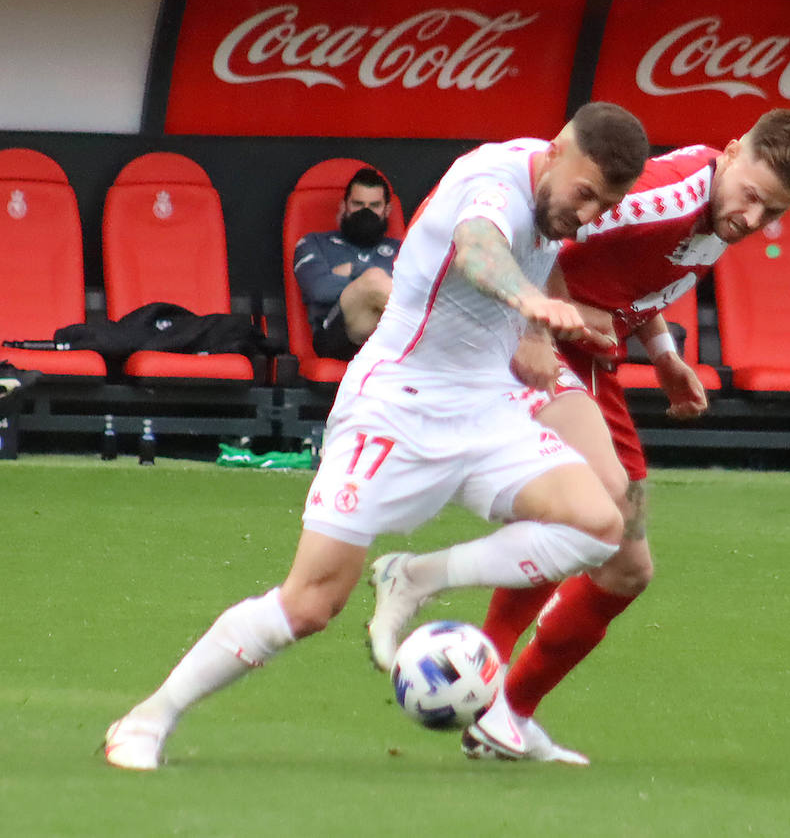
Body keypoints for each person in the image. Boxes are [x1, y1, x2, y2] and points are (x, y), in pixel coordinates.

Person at [102, 101, 651, 771]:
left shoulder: (556, 197)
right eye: (586, 195)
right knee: (310, 604)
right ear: (558, 149)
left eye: (605, 204)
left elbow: (542, 260)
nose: (589, 213)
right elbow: (481, 251)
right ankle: (148, 718)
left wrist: (538, 326)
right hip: (396, 409)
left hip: (489, 409)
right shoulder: (492, 182)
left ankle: (416, 577)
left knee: (599, 524)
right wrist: (530, 304)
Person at [365, 109, 790, 764]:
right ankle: (444, 615)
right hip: (535, 344)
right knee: (597, 507)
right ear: (731, 154)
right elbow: (541, 232)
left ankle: (506, 716)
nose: (752, 219)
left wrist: (663, 353)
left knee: (627, 568)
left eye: (771, 210)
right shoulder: (663, 196)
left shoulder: (723, 212)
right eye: (752, 196)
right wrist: (535, 327)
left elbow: (637, 283)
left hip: (593, 362)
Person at [292, 167, 400, 361]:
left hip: (389, 337)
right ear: (344, 206)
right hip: (336, 337)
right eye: (358, 204)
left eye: (374, 205)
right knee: (375, 279)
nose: (365, 212)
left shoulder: (402, 249)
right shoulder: (313, 243)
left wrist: (353, 271)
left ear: (387, 210)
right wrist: (368, 279)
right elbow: (320, 289)